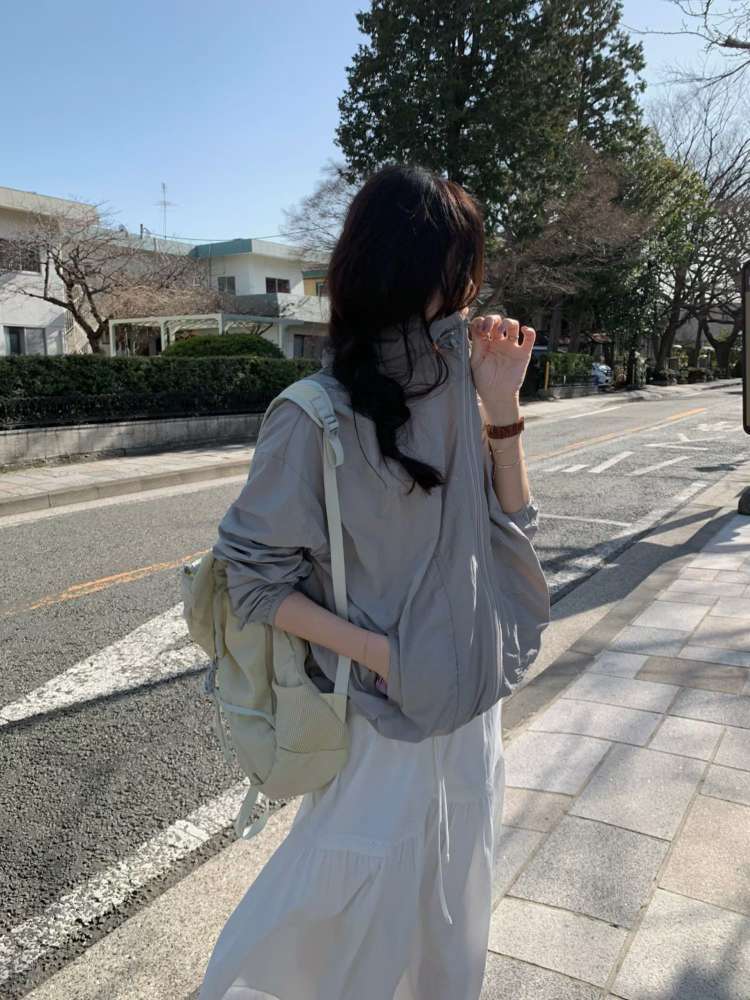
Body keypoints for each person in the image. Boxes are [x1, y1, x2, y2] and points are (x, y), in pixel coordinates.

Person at [199, 164, 550, 1000]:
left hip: (473, 707)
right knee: (339, 926)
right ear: (409, 270)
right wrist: (382, 654)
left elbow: (515, 527)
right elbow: (250, 578)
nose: (469, 292)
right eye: (457, 268)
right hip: (381, 720)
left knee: (454, 907)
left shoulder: (462, 386)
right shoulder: (312, 415)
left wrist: (502, 409)